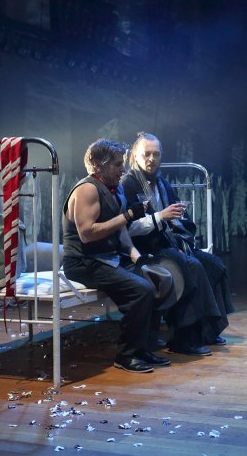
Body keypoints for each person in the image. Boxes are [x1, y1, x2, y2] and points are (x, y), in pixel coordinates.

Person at [62, 139, 171, 373]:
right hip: (83, 262)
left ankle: (142, 348)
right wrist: (128, 215)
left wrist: (136, 256)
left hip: (107, 258)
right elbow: (87, 234)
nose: (123, 169)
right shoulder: (87, 189)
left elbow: (121, 230)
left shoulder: (116, 188)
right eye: (117, 164)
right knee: (140, 291)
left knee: (154, 280)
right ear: (98, 165)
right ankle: (126, 355)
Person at [121, 132, 235, 355]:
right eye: (146, 154)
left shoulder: (162, 183)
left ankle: (208, 330)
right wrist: (160, 217)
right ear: (135, 156)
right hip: (144, 249)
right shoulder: (129, 183)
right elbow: (127, 228)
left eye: (156, 154)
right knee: (191, 267)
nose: (151, 159)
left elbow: (173, 216)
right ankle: (183, 339)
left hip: (167, 243)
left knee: (213, 264)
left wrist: (177, 219)